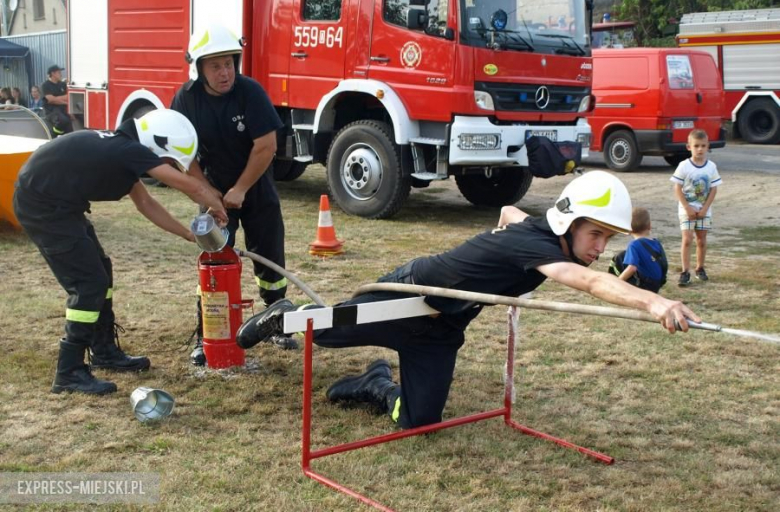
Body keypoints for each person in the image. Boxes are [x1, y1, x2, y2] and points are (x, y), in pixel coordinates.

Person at [236, 171, 700, 430]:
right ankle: (285, 315)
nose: (600, 248)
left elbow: (512, 212)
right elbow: (590, 283)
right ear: (569, 222)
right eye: (595, 234)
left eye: (607, 237)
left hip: (443, 328)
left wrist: (504, 219)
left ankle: (376, 383)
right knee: (325, 334)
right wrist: (652, 304)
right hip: (409, 296)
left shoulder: (539, 232)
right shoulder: (539, 248)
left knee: (419, 420)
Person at [13, 109, 228, 395]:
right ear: (156, 143)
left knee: (102, 271)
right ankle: (69, 371)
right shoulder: (127, 149)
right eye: (166, 159)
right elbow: (189, 185)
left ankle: (103, 351)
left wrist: (189, 235)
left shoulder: (121, 149)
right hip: (43, 208)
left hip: (61, 205)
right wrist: (216, 205)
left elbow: (146, 204)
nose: (164, 166)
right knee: (88, 283)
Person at [171, 23, 294, 366]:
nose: (225, 72)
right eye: (215, 66)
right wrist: (208, 193)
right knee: (215, 258)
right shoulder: (186, 99)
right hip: (212, 187)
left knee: (268, 253)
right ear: (199, 69)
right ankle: (207, 333)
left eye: (229, 63)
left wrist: (240, 189)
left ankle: (276, 324)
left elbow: (266, 146)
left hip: (255, 186)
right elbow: (184, 155)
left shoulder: (250, 92)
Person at [671, 129, 722, 286]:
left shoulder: (711, 167)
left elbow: (714, 188)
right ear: (689, 147)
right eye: (696, 146)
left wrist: (705, 208)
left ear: (708, 147)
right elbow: (677, 188)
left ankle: (700, 268)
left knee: (701, 239)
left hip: (703, 210)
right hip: (687, 210)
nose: (700, 149)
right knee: (687, 239)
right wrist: (687, 207)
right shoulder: (684, 166)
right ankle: (685, 271)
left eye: (703, 146)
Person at [608, 207, 668, 293]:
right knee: (624, 255)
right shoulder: (656, 243)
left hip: (645, 286)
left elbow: (632, 268)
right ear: (650, 225)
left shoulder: (634, 245)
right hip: (657, 283)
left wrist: (619, 281)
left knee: (618, 258)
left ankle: (614, 283)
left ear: (628, 230)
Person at [41, 65, 73, 136]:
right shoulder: (45, 85)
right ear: (53, 73)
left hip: (63, 110)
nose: (61, 74)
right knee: (62, 120)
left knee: (69, 127)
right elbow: (50, 100)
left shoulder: (62, 85)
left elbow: (68, 97)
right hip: (51, 111)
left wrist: (56, 98)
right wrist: (63, 99)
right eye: (59, 72)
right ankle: (53, 135)